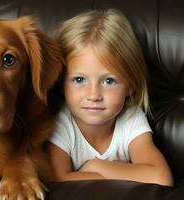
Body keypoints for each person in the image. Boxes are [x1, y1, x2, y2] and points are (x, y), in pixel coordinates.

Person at [48, 9, 173, 186]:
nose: (93, 95)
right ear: (61, 82)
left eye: (109, 80)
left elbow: (162, 179)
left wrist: (95, 165)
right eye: (79, 79)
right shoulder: (61, 123)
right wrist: (118, 175)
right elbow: (56, 180)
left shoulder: (131, 118)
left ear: (131, 85)